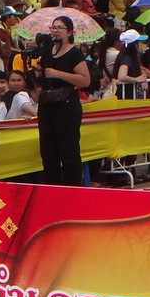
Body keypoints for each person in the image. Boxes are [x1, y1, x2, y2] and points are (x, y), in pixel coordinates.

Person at [37, 14, 91, 185]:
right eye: (54, 27)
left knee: (68, 150)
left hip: (67, 105)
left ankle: (72, 188)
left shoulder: (74, 53)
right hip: (47, 104)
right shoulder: (47, 50)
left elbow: (85, 79)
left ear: (69, 32)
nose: (56, 31)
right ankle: (51, 186)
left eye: (60, 28)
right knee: (48, 149)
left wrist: (58, 73)